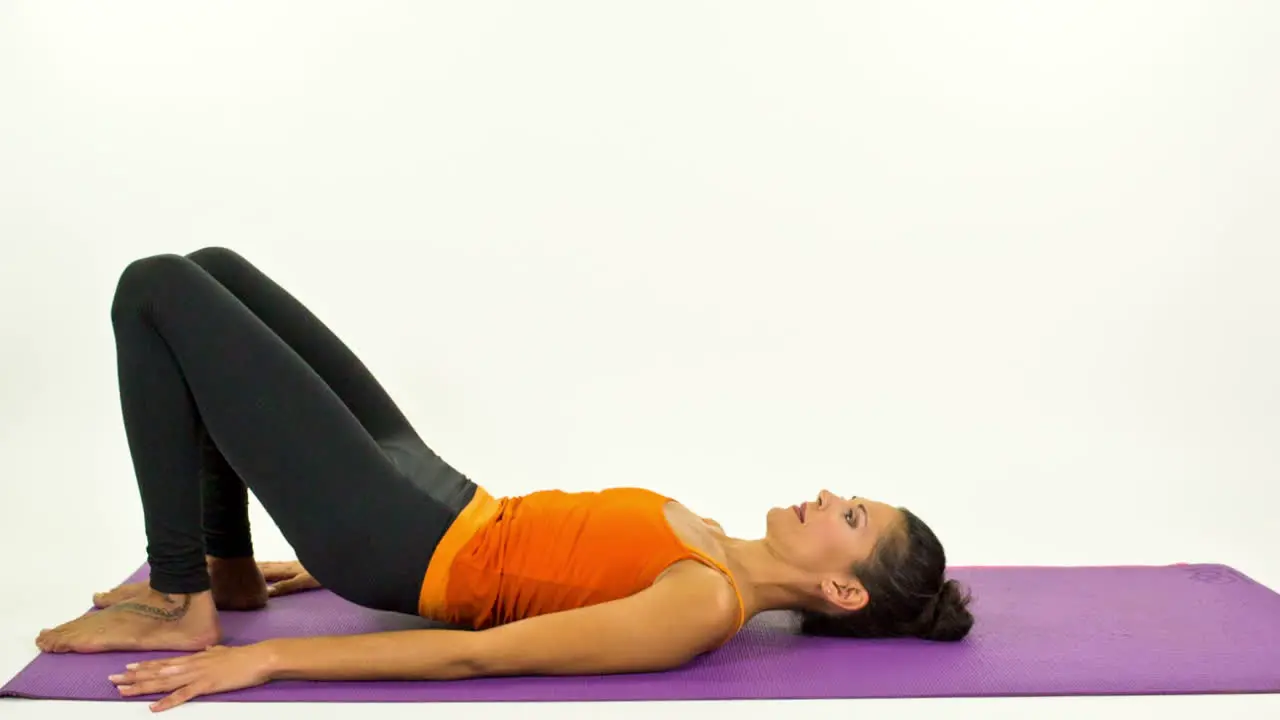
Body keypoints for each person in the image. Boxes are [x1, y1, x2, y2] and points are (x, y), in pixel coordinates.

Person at [34, 247, 973, 711]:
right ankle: (228, 574)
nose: (826, 494)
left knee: (155, 287)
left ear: (842, 586)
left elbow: (480, 654)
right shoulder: (719, 539)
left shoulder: (703, 605)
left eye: (850, 514)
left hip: (399, 535)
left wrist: (270, 657)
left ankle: (179, 595)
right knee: (213, 272)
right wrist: (314, 568)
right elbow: (549, 559)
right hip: (434, 493)